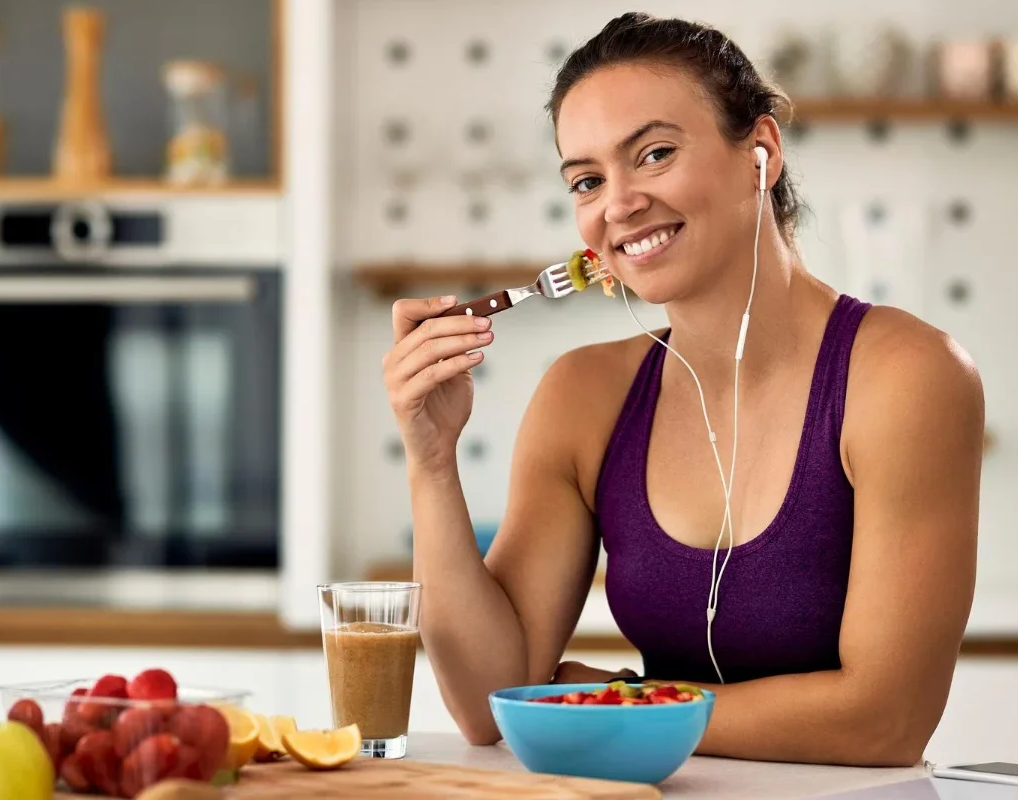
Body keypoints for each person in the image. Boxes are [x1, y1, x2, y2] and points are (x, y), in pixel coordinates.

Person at [380, 13, 984, 768]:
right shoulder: (584, 395)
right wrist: (430, 460)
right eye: (588, 181)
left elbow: (886, 720)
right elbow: (489, 701)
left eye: (655, 154)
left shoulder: (905, 375)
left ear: (760, 151)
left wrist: (618, 699)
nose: (619, 204)